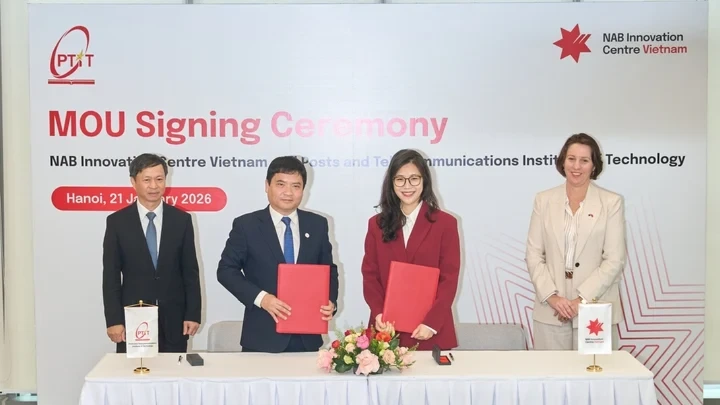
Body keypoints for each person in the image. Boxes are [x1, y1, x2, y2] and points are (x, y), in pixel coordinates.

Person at [217, 156, 339, 353]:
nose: (288, 192)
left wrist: (330, 301)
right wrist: (262, 299)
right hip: (262, 338)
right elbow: (226, 271)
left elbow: (328, 270)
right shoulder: (247, 225)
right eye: (281, 184)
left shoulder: (317, 224)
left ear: (304, 189)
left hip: (307, 339)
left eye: (296, 186)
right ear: (267, 186)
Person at [525, 133, 626, 350]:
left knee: (595, 372)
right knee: (550, 372)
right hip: (550, 311)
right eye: (571, 159)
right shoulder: (543, 200)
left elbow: (614, 260)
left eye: (584, 160)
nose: (576, 166)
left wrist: (580, 302)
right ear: (563, 161)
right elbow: (533, 255)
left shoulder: (611, 202)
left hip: (595, 309)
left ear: (594, 165)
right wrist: (553, 298)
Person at [361, 149, 461, 351]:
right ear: (391, 183)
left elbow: (449, 278)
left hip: (430, 331)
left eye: (414, 178)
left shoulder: (445, 223)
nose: (407, 186)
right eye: (400, 179)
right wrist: (379, 313)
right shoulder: (376, 224)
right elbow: (370, 275)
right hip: (386, 331)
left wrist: (431, 323)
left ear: (425, 181)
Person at [102, 153, 202, 353]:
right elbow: (111, 276)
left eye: (159, 179)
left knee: (172, 371)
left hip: (174, 320)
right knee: (135, 372)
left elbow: (190, 271)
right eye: (147, 180)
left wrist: (192, 314)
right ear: (133, 182)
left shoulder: (181, 220)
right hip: (133, 320)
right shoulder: (117, 222)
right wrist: (114, 320)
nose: (154, 186)